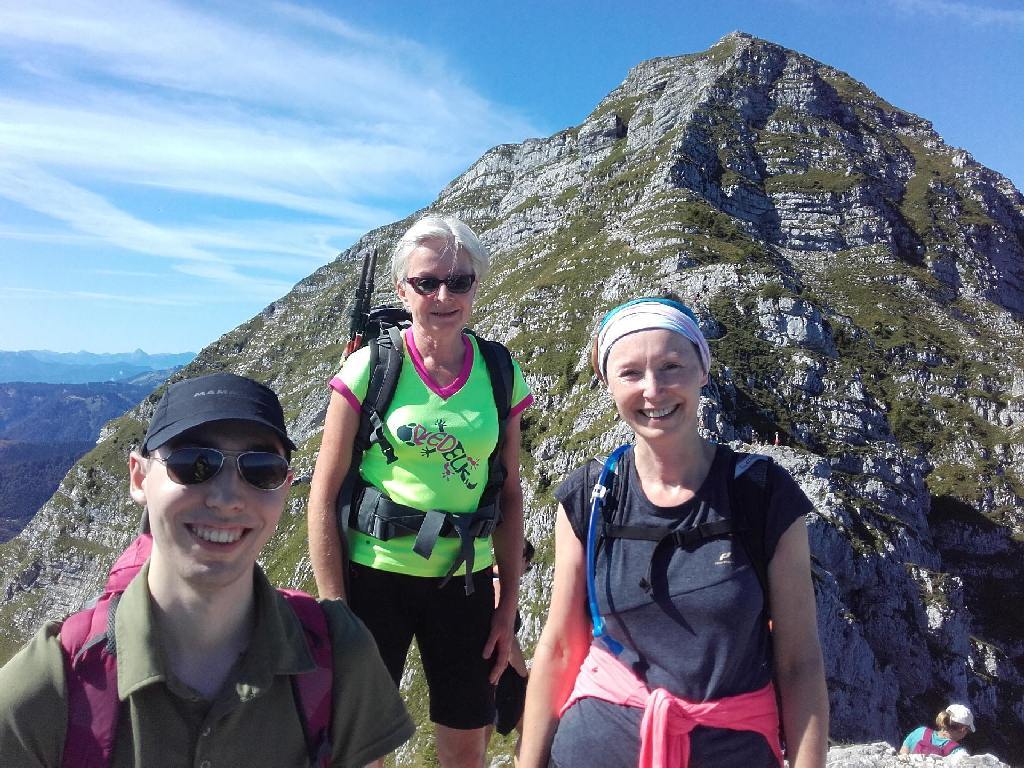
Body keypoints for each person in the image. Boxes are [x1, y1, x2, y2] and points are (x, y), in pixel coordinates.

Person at [0, 372, 413, 766]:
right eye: (193, 463)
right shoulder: (50, 685)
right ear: (139, 478)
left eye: (260, 470)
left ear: (286, 487)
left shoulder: (342, 655)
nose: (226, 498)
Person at [519, 298, 829, 768]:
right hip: (591, 748)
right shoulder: (590, 495)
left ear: (702, 370)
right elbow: (560, 648)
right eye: (630, 373)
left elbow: (799, 661)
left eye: (671, 367)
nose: (653, 390)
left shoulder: (763, 494)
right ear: (607, 384)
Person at [308, 215, 533, 768]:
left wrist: (507, 607)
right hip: (374, 578)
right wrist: (335, 611)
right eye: (426, 282)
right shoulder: (369, 368)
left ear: (475, 287)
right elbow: (324, 494)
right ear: (402, 289)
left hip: (465, 581)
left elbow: (508, 494)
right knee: (363, 746)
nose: (443, 296)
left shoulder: (500, 372)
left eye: (459, 282)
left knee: (466, 745)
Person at [489, 540, 535, 753]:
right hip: (504, 675)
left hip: (489, 673)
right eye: (527, 566)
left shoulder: (487, 578)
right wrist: (523, 674)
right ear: (522, 560)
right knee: (530, 733)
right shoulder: (499, 586)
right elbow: (505, 638)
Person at [900, 703, 975, 757]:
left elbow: (902, 755)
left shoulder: (920, 731)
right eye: (968, 730)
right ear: (963, 729)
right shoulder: (957, 752)